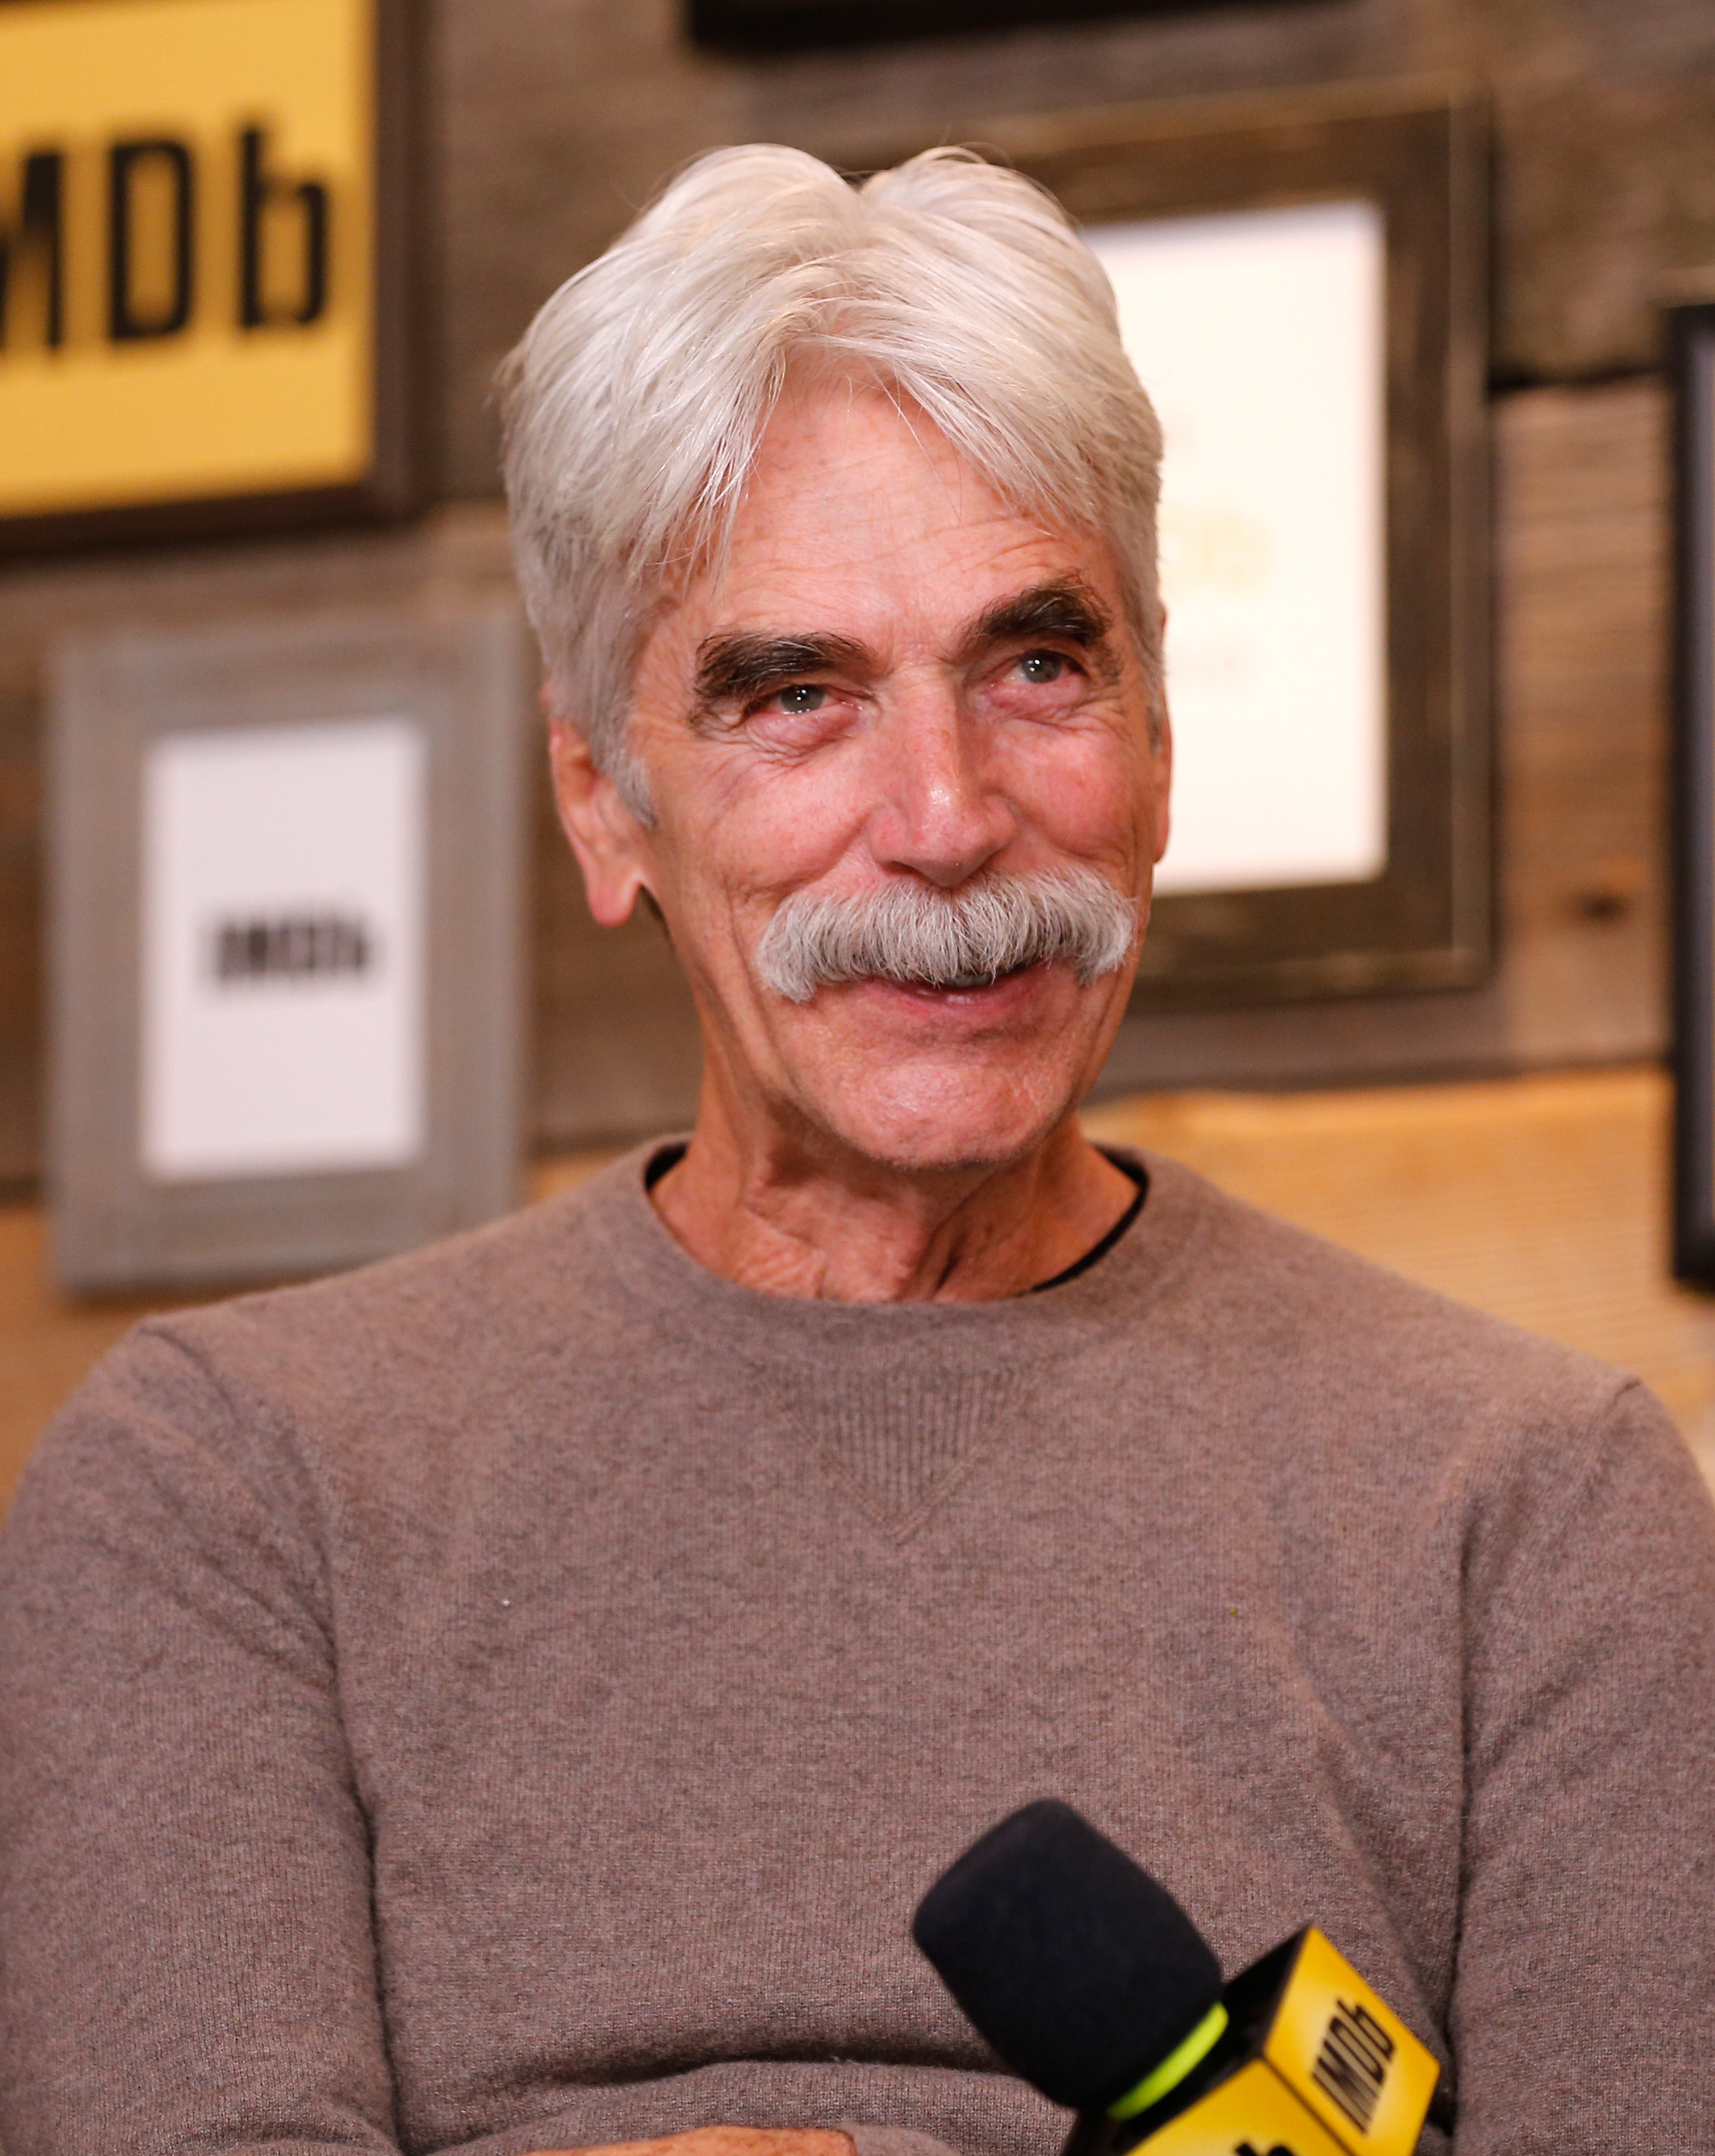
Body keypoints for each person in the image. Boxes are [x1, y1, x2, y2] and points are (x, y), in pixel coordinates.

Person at [2, 144, 1713, 2156]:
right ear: (603, 804)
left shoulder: (1535, 1511)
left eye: (1037, 665)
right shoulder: (229, 1486)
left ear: (1158, 745)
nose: (944, 813)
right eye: (795, 694)